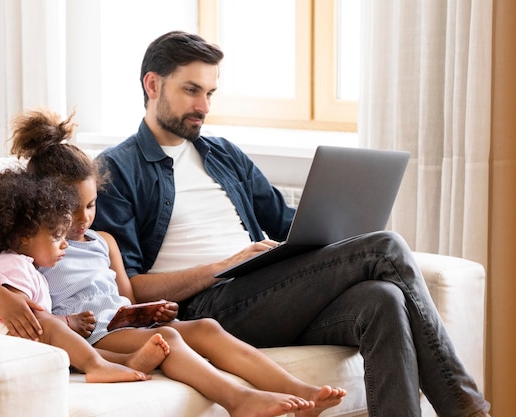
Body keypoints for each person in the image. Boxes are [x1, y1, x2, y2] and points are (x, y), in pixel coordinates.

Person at [90, 30, 492, 417]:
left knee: (383, 299)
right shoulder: (115, 169)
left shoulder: (223, 154)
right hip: (205, 310)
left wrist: (339, 221)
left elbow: (286, 224)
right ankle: (465, 407)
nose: (204, 107)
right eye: (191, 90)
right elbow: (131, 288)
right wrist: (221, 268)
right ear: (152, 85)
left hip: (264, 293)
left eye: (210, 93)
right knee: (384, 248)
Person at [0, 108, 347, 417]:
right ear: (44, 205)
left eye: (91, 205)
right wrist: (5, 299)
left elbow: (124, 299)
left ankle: (299, 393)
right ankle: (238, 400)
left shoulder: (103, 242)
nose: (83, 220)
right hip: (88, 338)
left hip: (118, 326)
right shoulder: (33, 245)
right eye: (70, 210)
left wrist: (145, 313)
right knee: (172, 339)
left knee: (207, 326)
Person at [0, 169, 169, 383]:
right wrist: (66, 321)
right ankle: (96, 365)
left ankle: (124, 361)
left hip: (6, 333)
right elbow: (28, 315)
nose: (65, 243)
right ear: (25, 237)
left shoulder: (31, 270)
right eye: (57, 236)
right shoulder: (14, 265)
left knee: (59, 341)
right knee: (50, 329)